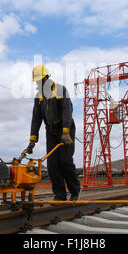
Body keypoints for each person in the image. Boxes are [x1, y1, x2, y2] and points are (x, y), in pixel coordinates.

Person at [27, 64, 81, 201]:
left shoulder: (60, 90)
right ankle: (59, 195)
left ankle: (75, 191)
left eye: (41, 80)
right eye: (37, 81)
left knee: (65, 161)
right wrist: (33, 139)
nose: (39, 83)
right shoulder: (39, 97)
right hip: (50, 131)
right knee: (52, 164)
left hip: (65, 129)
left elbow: (67, 111)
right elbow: (36, 118)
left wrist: (66, 131)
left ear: (46, 77)